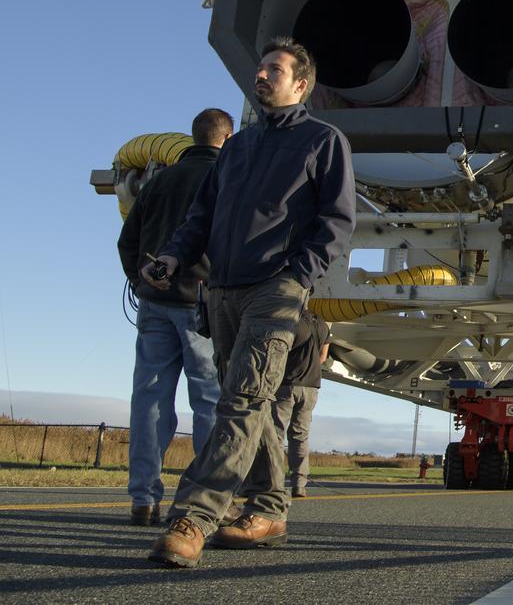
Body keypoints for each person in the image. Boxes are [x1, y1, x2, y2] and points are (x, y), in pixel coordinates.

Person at [141, 36, 355, 568]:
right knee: (250, 402)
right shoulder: (236, 148)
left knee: (241, 398)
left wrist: (295, 277)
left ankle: (194, 516)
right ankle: (267, 507)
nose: (261, 76)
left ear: (300, 85)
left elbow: (336, 222)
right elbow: (201, 216)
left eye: (274, 70)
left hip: (275, 289)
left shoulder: (322, 141)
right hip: (221, 291)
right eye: (260, 69)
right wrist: (172, 257)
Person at [117, 108, 233, 526]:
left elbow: (127, 240)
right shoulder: (226, 179)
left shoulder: (159, 180)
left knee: (149, 399)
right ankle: (201, 501)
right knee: (209, 401)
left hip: (153, 301)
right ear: (227, 138)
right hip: (202, 303)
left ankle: (143, 498)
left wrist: (142, 278)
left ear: (193, 136)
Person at [235, 308, 330, 512]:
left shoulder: (292, 319)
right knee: (300, 436)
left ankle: (272, 483)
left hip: (287, 383)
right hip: (312, 385)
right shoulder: (323, 324)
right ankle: (299, 484)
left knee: (275, 434)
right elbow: (323, 357)